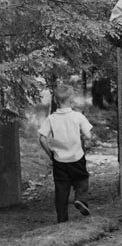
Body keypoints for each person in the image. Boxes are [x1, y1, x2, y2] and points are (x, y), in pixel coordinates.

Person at [38, 84, 93, 223]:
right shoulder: (78, 116)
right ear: (72, 99)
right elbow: (88, 135)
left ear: (56, 101)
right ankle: (80, 199)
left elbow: (42, 138)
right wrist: (85, 138)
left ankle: (62, 220)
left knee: (61, 189)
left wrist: (50, 153)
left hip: (59, 160)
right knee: (81, 179)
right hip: (76, 157)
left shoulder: (51, 118)